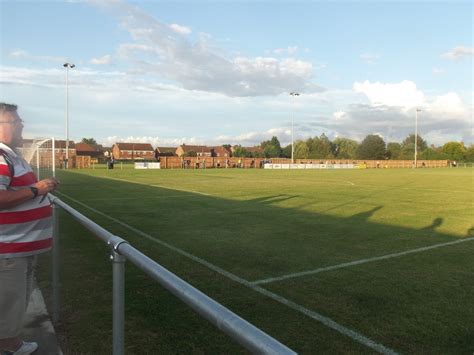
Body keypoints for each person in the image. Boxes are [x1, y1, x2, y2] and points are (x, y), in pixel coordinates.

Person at [0, 103, 59, 355]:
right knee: (8, 301)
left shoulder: (12, 155)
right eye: (15, 121)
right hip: (9, 250)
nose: (21, 124)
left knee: (15, 300)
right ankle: (7, 346)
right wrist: (37, 189)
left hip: (20, 246)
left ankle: (10, 343)